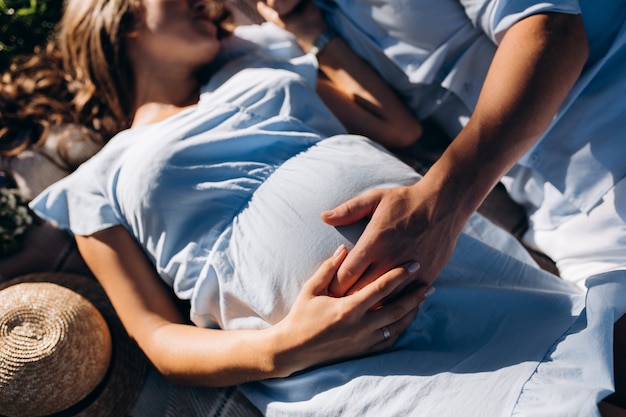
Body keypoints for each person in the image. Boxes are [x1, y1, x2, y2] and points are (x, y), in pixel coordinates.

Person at [7, 0, 626, 416]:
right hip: (332, 352)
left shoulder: (259, 61)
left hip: (442, 264)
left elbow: (397, 126)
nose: (211, 3)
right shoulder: (92, 181)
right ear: (117, 18)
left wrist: (305, 26)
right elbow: (159, 339)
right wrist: (284, 348)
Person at [254, 0, 626, 294]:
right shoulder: (316, 20)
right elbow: (397, 126)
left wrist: (439, 206)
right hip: (563, 220)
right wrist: (312, 32)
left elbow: (553, 33)